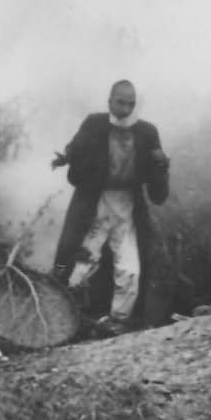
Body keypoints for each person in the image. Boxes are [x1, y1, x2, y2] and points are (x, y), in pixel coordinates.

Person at [51, 79, 172, 334]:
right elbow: (77, 144)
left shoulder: (147, 131)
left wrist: (161, 167)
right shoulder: (94, 123)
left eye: (131, 103)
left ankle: (119, 320)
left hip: (127, 204)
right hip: (94, 202)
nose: (125, 108)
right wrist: (67, 157)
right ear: (109, 101)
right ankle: (65, 317)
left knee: (129, 267)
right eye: (120, 102)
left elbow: (157, 174)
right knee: (80, 261)